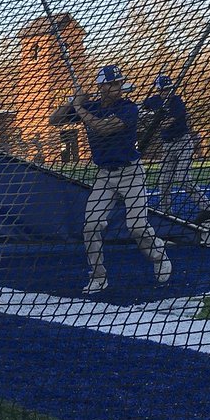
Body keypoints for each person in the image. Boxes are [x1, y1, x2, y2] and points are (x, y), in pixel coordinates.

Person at [49, 65, 172, 295]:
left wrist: (79, 107)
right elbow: (53, 120)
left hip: (131, 173)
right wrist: (72, 100)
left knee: (136, 227)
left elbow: (103, 128)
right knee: (91, 226)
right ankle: (98, 276)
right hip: (104, 176)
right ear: (102, 87)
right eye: (112, 84)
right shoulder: (91, 106)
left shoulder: (128, 108)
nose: (118, 87)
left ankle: (159, 255)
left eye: (118, 83)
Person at [141, 73, 210, 219]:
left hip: (183, 143)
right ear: (158, 90)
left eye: (168, 89)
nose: (166, 92)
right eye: (163, 90)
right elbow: (143, 106)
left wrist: (153, 120)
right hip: (167, 145)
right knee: (164, 181)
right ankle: (166, 212)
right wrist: (145, 113)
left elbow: (166, 123)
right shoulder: (155, 100)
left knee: (183, 178)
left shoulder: (177, 102)